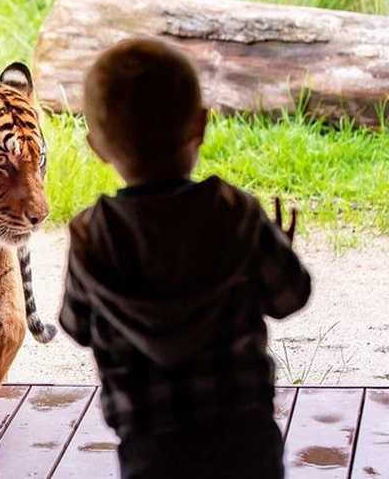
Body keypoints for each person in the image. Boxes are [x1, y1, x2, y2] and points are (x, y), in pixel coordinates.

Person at [59, 37, 312, 479]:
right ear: (200, 125)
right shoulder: (235, 214)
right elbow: (290, 297)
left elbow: (75, 327)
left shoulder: (92, 235)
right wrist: (280, 247)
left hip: (148, 448)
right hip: (244, 441)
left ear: (97, 146)